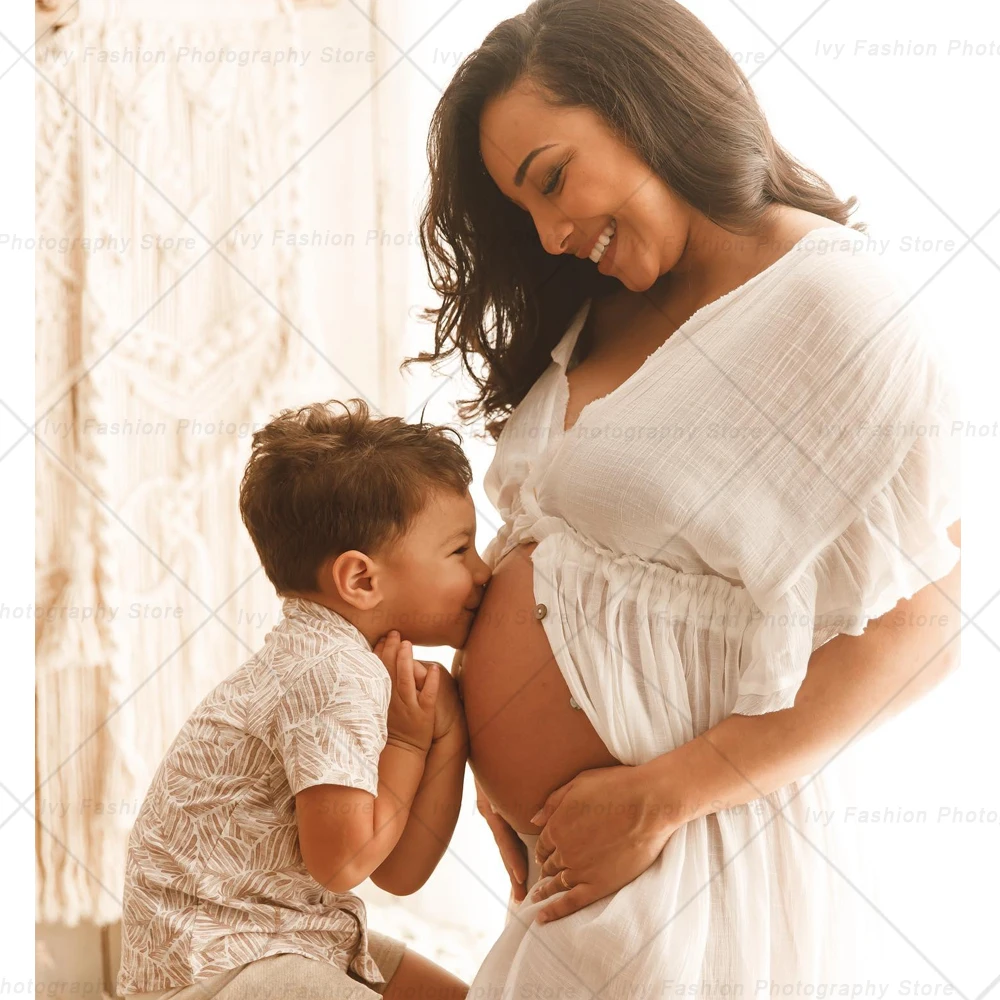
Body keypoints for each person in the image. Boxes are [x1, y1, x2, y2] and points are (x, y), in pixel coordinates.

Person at [410, 0, 963, 995]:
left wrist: (656, 799)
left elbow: (922, 629)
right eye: (523, 209)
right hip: (577, 872)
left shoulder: (829, 304)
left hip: (689, 861)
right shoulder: (603, 303)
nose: (548, 232)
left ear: (645, 105)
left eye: (552, 180)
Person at [116, 399, 488, 1000]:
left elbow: (398, 871)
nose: (484, 570)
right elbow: (343, 866)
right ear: (361, 580)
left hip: (288, 935)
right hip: (225, 964)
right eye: (459, 551)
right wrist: (409, 741)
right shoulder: (330, 671)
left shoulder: (345, 659)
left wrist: (446, 733)